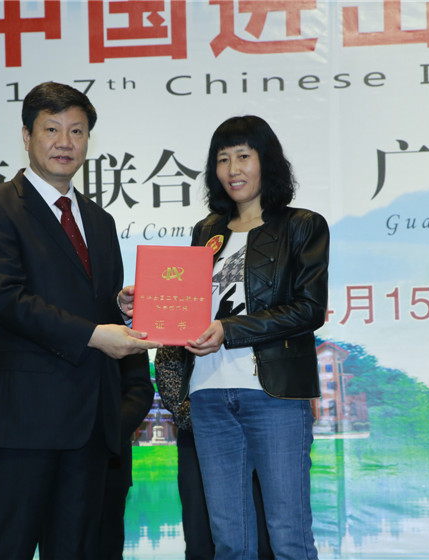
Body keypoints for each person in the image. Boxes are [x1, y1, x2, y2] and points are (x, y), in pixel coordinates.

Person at [0, 81, 160, 559]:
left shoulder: (100, 221)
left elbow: (94, 306)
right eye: (51, 129)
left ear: (89, 139)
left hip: (89, 427)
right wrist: (94, 334)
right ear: (26, 136)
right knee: (7, 548)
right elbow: (6, 299)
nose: (64, 142)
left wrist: (121, 307)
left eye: (77, 131)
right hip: (21, 422)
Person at [177, 115, 329, 560]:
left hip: (274, 392)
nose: (233, 169)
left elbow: (308, 309)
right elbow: (190, 305)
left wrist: (230, 330)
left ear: (267, 162)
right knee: (230, 541)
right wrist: (146, 302)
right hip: (208, 393)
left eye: (243, 156)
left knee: (288, 536)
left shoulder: (302, 225)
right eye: (223, 159)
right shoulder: (207, 231)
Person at [155, 346, 274, 560]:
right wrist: (203, 418)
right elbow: (168, 365)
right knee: (201, 536)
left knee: (265, 535)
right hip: (197, 433)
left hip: (260, 428)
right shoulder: (184, 325)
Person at [95, 352, 155, 559]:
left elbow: (138, 388)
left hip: (110, 457)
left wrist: (107, 437)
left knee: (107, 544)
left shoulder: (127, 332)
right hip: (50, 453)